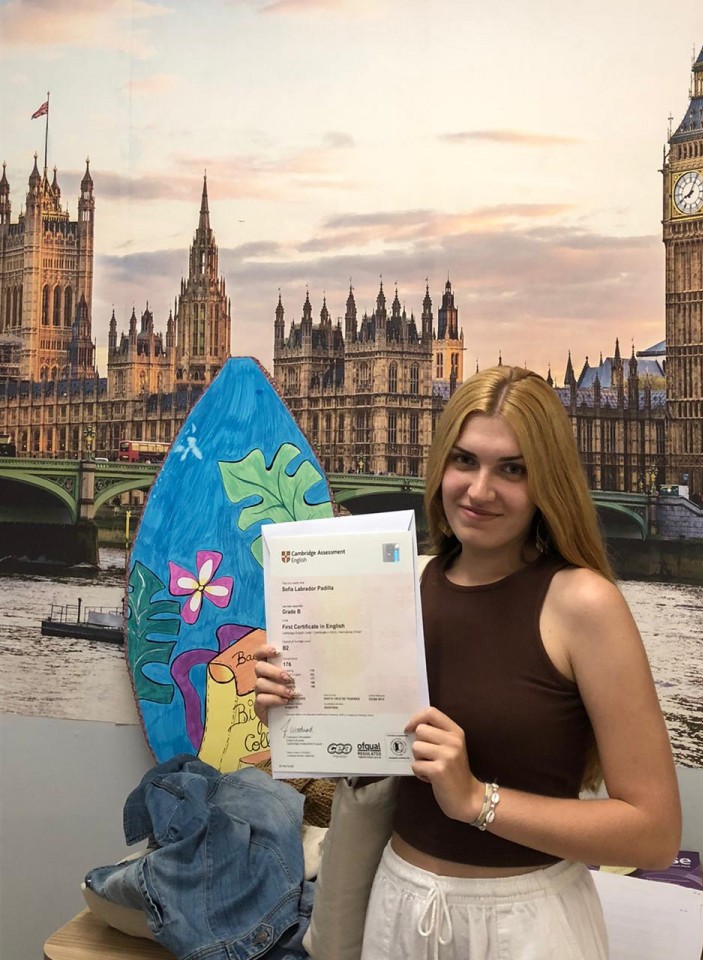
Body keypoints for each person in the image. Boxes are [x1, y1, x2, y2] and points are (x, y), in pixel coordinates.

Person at [255, 365, 681, 960]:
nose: (480, 490)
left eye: (512, 469)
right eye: (465, 461)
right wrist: (297, 710)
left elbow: (654, 834)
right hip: (397, 912)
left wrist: (478, 800)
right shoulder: (400, 584)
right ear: (440, 467)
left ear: (548, 481)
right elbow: (373, 766)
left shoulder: (584, 604)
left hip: (525, 927)